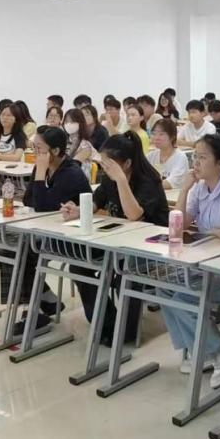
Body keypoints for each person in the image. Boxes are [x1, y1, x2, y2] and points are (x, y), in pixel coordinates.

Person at [162, 134, 220, 388]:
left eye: (202, 157)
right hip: (208, 264)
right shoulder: (200, 187)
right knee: (163, 287)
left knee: (183, 297)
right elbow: (179, 226)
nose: (196, 162)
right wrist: (185, 188)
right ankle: (199, 349)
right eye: (195, 157)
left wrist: (211, 231)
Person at [61, 131, 169, 347]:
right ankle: (105, 321)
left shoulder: (148, 180)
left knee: (126, 273)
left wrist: (121, 180)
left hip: (149, 246)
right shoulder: (109, 179)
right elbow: (96, 202)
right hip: (117, 241)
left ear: (126, 164)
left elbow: (134, 215)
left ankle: (127, 330)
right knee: (79, 266)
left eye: (109, 164)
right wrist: (78, 211)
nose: (104, 168)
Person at [0, 126, 90, 335]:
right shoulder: (43, 166)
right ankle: (43, 302)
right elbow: (29, 199)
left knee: (22, 254)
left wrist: (40, 173)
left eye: (39, 148)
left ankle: (33, 310)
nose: (35, 153)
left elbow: (41, 205)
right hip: (48, 229)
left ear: (56, 151)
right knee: (8, 253)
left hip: (73, 236)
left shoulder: (71, 173)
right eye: (34, 147)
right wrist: (40, 173)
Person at [147, 118, 189, 189]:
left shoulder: (180, 157)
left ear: (172, 137)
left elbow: (170, 184)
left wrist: (145, 184)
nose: (156, 138)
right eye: (154, 134)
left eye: (161, 134)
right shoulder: (151, 155)